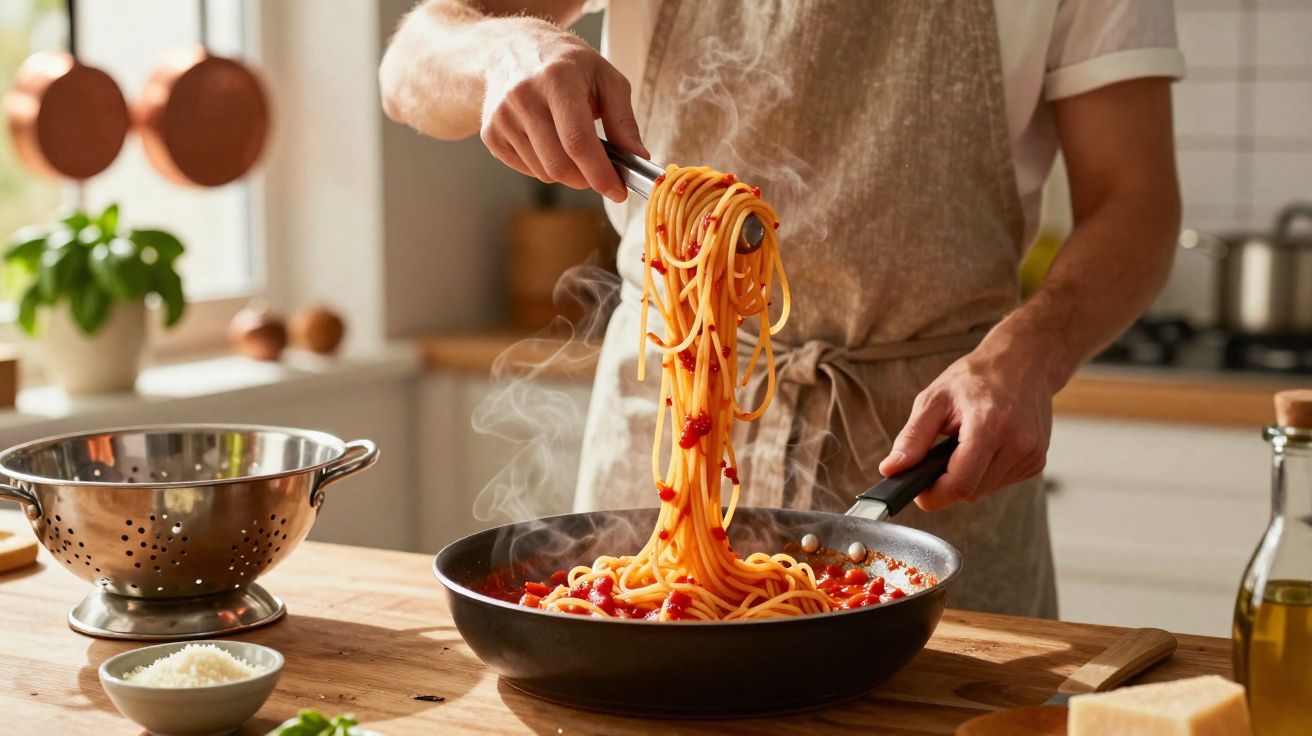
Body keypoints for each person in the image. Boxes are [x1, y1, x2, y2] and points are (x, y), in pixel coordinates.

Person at [380, 0, 1184, 618]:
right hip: (670, 415)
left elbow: (1136, 199)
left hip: (929, 451)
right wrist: (501, 50)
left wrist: (1026, 357)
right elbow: (414, 56)